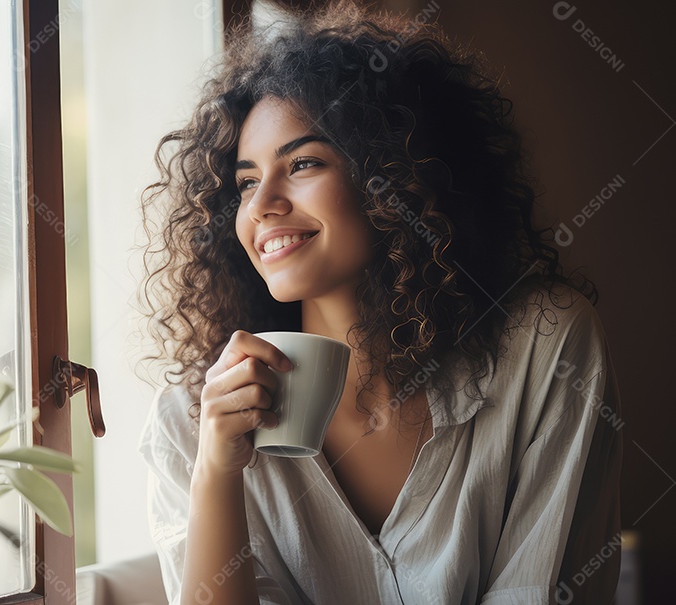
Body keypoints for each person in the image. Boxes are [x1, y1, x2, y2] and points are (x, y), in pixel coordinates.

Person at [135, 1, 623, 604]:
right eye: (245, 182)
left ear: (395, 176)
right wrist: (216, 473)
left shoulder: (545, 346)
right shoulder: (190, 422)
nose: (262, 206)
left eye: (304, 163)